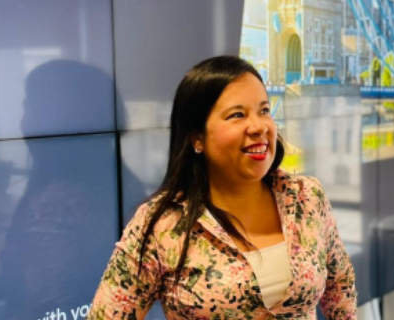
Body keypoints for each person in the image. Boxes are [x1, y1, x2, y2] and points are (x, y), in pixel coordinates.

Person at [88, 56, 357, 319]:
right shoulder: (162, 224)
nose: (258, 126)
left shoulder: (306, 197)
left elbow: (340, 284)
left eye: (264, 110)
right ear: (197, 138)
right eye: (237, 115)